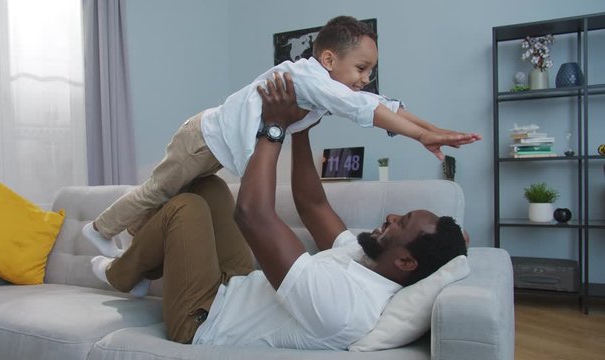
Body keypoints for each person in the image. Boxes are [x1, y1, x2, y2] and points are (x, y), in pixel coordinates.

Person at [90, 73, 469, 349]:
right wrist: (302, 125)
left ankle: (123, 273)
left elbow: (253, 215)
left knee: (185, 208)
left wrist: (274, 127)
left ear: (405, 263)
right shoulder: (365, 256)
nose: (389, 218)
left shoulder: (349, 306)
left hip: (203, 317)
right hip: (233, 282)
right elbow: (312, 203)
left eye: (399, 223)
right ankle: (138, 264)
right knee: (208, 187)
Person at [83, 15, 481, 257]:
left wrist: (433, 132)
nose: (365, 79)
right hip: (201, 139)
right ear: (329, 59)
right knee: (156, 191)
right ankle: (99, 230)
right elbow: (368, 110)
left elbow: (385, 104)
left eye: (369, 72)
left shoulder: (326, 85)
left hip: (213, 150)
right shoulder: (311, 79)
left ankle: (133, 244)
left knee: (169, 198)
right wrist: (419, 137)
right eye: (361, 68)